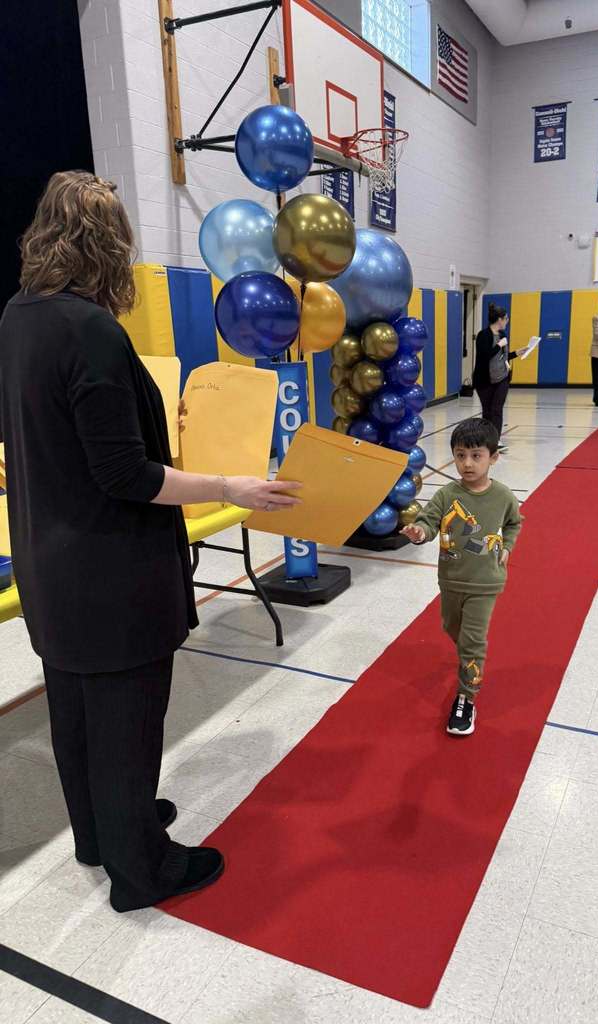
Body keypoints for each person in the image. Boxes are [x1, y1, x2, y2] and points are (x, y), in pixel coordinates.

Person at [0, 171, 300, 913]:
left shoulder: (18, 315)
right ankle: (143, 869)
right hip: (108, 571)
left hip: (50, 562)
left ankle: (102, 834)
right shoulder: (91, 331)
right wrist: (229, 486)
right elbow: (127, 475)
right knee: (128, 719)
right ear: (109, 246)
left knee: (75, 711)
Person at [400, 418, 522, 736]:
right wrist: (419, 532)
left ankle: (466, 698)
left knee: (471, 641)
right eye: (460, 455)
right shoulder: (446, 495)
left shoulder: (503, 496)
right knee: (450, 627)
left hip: (486, 582)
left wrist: (507, 546)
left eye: (476, 455)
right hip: (451, 580)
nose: (467, 463)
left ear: (493, 457)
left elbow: (514, 522)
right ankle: (469, 658)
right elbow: (428, 522)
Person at [472, 303, 526, 453]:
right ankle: (486, 439)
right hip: (484, 380)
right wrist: (498, 345)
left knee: (497, 409)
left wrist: (516, 353)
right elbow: (484, 357)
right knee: (487, 411)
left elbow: (501, 357)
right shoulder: (484, 335)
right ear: (500, 319)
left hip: (502, 377)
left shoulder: (502, 335)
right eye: (506, 318)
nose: (507, 321)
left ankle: (495, 440)